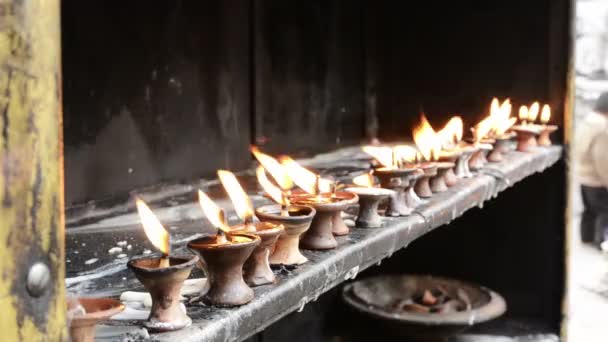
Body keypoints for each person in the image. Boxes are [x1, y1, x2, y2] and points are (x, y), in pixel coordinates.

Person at [575, 92, 608, 247]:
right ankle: (600, 241)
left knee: (589, 210)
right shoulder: (603, 128)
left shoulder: (587, 122)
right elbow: (602, 159)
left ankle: (586, 237)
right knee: (604, 211)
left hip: (583, 174)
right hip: (596, 179)